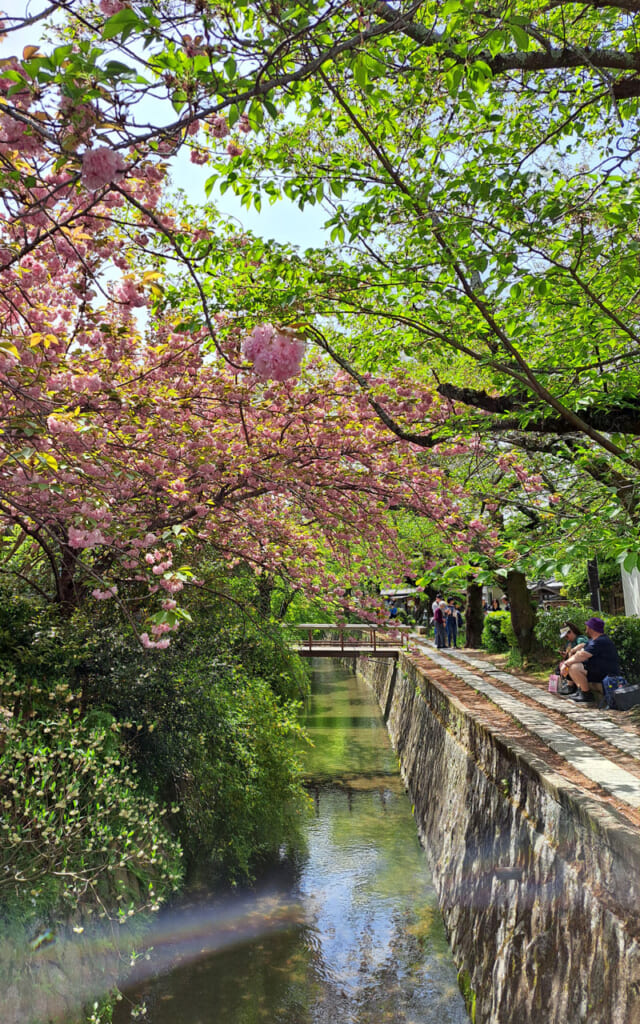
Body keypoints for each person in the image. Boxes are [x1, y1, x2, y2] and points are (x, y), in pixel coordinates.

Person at [559, 617, 621, 704]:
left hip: (606, 675)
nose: (586, 628)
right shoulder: (593, 640)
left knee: (574, 666)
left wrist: (566, 663)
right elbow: (581, 651)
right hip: (596, 671)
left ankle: (586, 694)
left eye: (587, 626)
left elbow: (582, 655)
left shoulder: (600, 641)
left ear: (592, 628)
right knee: (573, 665)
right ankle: (581, 691)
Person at [557, 621, 588, 696]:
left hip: (583, 664)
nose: (565, 638)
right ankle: (568, 685)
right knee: (559, 667)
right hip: (573, 662)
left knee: (570, 666)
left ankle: (571, 686)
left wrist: (572, 651)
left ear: (571, 632)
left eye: (566, 636)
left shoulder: (580, 639)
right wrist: (565, 655)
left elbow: (584, 646)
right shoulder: (569, 642)